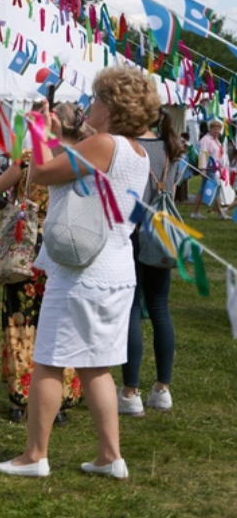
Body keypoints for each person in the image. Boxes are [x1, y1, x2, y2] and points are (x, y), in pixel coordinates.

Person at [0, 66, 156, 480]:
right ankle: (110, 455)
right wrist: (51, 136)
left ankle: (34, 455)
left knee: (48, 362)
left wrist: (39, 134)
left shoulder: (103, 143)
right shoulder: (136, 152)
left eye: (97, 98)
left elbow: (41, 173)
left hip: (82, 272)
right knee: (96, 365)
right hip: (115, 269)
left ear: (112, 106)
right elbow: (70, 174)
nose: (90, 105)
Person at [0, 103, 88, 425]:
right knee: (63, 322)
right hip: (68, 245)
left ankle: (22, 396)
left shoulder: (29, 160)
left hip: (28, 246)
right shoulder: (83, 158)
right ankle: (62, 398)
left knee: (21, 321)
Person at [119, 107, 185, 416]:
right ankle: (162, 388)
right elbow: (171, 189)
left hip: (134, 230)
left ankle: (130, 391)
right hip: (163, 232)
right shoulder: (171, 147)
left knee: (132, 308)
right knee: (160, 306)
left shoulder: (127, 146)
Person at [192, 118, 226, 219]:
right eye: (214, 129)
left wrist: (221, 168)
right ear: (210, 129)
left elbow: (218, 155)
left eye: (218, 129)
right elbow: (203, 154)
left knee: (202, 190)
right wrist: (203, 169)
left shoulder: (216, 140)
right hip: (209, 169)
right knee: (215, 189)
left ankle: (195, 212)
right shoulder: (206, 140)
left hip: (214, 169)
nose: (216, 131)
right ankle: (220, 213)